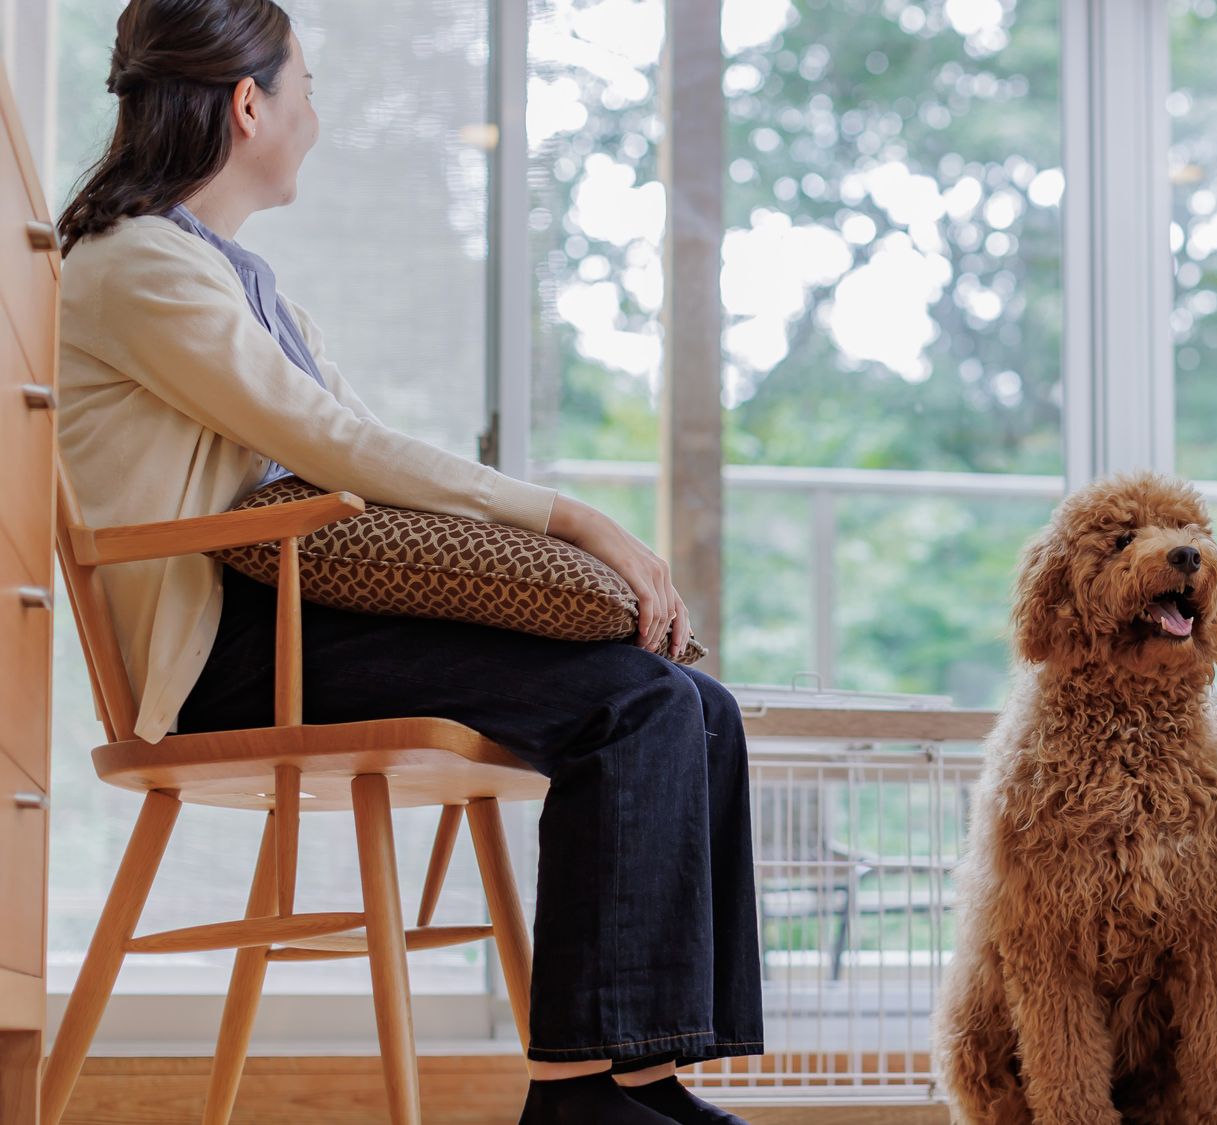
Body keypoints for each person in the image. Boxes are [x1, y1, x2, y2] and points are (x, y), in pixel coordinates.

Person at [55, 2, 760, 1121]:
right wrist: (567, 521)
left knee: (688, 701)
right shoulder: (140, 269)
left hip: (288, 615)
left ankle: (644, 1076)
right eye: (309, 90)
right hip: (230, 656)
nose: (315, 117)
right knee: (632, 704)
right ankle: (577, 1093)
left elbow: (356, 450)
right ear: (250, 106)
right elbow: (337, 449)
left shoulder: (239, 279)